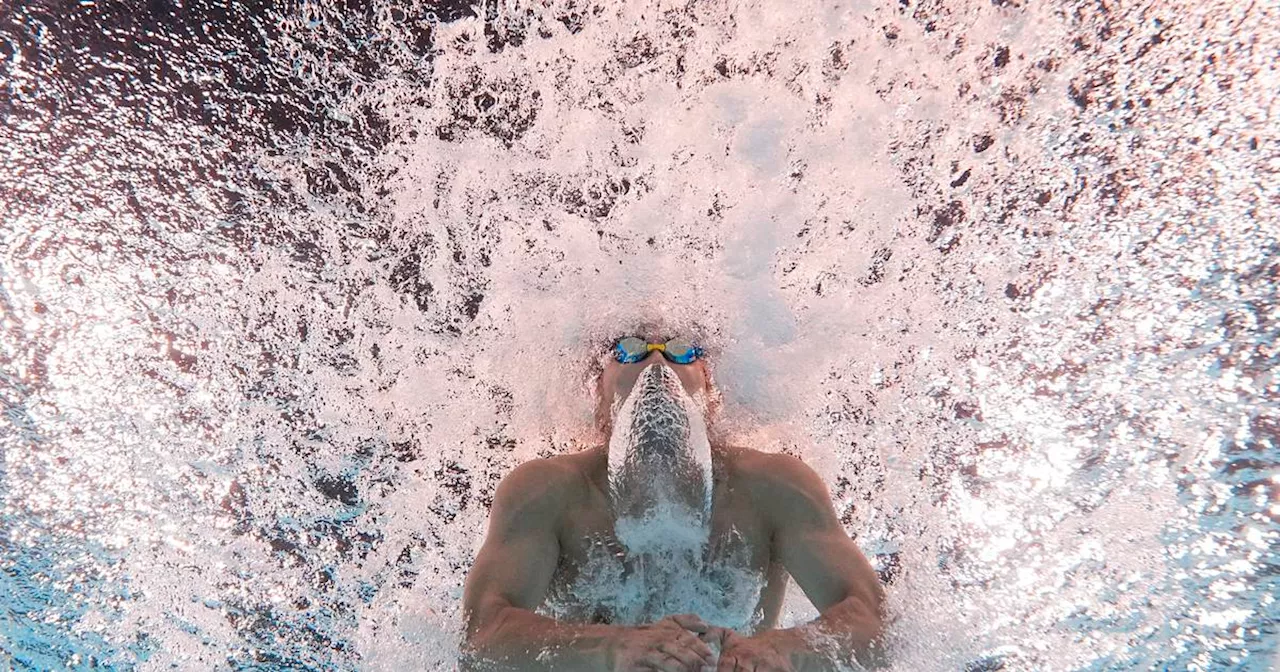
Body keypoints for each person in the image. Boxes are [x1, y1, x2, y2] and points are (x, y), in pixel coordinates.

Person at [461, 332, 886, 671]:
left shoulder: (774, 488)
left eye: (683, 350)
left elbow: (875, 621)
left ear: (711, 397)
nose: (657, 362)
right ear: (601, 399)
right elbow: (480, 640)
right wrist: (613, 650)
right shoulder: (548, 493)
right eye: (629, 349)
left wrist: (779, 652)